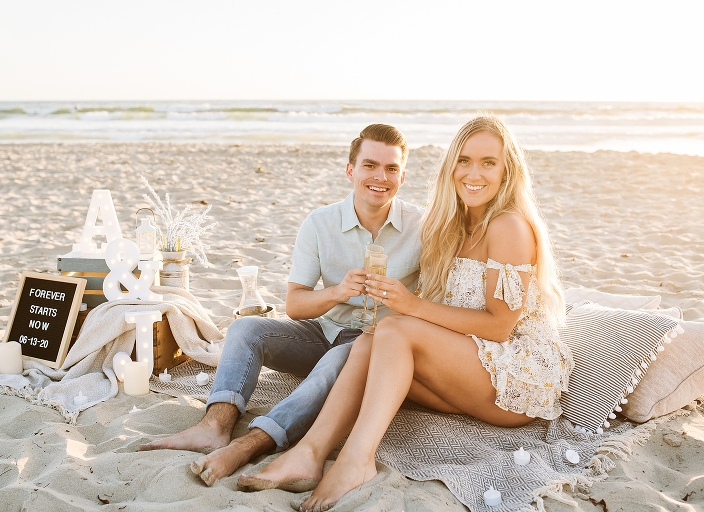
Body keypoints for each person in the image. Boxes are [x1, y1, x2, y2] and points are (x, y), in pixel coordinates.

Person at [238, 115, 574, 511]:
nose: (473, 173)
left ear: (507, 170)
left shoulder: (507, 226)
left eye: (488, 162)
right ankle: (309, 453)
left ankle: (356, 460)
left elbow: (500, 328)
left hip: (515, 379)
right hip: (469, 365)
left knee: (395, 328)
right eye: (464, 160)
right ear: (450, 166)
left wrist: (412, 307)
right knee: (369, 338)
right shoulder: (455, 224)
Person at [138, 124, 424, 486]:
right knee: (245, 328)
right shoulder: (320, 223)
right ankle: (215, 426)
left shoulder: (422, 226)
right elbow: (295, 304)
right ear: (350, 170)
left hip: (377, 346)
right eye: (369, 165)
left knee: (341, 359)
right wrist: (337, 292)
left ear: (403, 175)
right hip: (323, 332)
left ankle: (253, 443)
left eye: (391, 168)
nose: (380, 177)